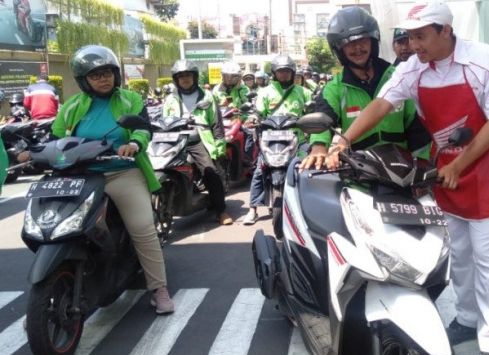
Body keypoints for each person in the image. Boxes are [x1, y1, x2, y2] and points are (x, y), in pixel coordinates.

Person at [328, 3, 489, 355]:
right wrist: (344, 141)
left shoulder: (481, 58)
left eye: (421, 36)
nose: (413, 45)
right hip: (444, 170)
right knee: (457, 253)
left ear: (445, 31)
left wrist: (461, 164)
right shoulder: (413, 68)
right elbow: (383, 104)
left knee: (488, 259)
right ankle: (466, 318)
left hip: (482, 169)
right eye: (409, 37)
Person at [20, 45, 174, 314]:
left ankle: (158, 288)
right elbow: (56, 138)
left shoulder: (130, 100)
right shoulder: (71, 107)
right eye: (95, 75)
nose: (103, 79)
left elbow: (141, 129)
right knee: (52, 227)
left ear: (116, 74)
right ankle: (46, 297)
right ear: (84, 80)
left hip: (120, 172)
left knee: (142, 228)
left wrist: (134, 145)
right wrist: (32, 153)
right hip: (78, 177)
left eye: (107, 73)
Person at [299, 6, 430, 172]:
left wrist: (423, 167)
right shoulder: (335, 88)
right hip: (358, 172)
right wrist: (319, 147)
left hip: (402, 172)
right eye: (349, 43)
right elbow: (324, 117)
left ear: (373, 41)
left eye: (362, 40)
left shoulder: (398, 78)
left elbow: (417, 129)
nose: (357, 48)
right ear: (339, 50)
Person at [242, 55, 312, 225]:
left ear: (293, 73)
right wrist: (253, 119)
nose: (284, 75)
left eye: (287, 72)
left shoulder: (303, 92)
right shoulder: (265, 92)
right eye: (280, 72)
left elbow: (311, 111)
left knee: (307, 169)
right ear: (274, 73)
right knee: (260, 170)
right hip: (271, 139)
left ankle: (308, 206)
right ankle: (253, 209)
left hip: (298, 138)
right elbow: (257, 112)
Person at [163, 59, 233, 225]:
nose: (185, 79)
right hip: (175, 139)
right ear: (176, 79)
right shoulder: (170, 99)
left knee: (210, 172)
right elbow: (164, 120)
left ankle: (221, 210)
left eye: (188, 76)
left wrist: (219, 145)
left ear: (194, 77)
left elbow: (217, 123)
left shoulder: (207, 96)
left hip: (198, 139)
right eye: (181, 76)